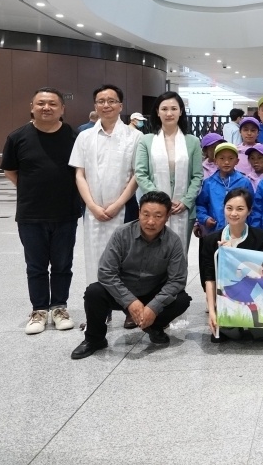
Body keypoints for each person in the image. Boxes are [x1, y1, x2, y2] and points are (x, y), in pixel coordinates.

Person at [70, 191, 192, 359]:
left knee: (182, 299)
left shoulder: (173, 241)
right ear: (138, 212)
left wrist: (153, 306)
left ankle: (154, 327)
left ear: (167, 217)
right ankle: (94, 339)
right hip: (122, 292)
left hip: (153, 292)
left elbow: (177, 280)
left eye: (158, 216)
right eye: (146, 214)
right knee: (94, 292)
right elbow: (106, 272)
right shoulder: (122, 234)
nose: (151, 221)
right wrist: (130, 301)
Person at [2, 87, 82, 335]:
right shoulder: (17, 137)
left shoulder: (74, 136)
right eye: (41, 103)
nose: (46, 107)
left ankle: (59, 308)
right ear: (32, 107)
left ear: (62, 109)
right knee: (35, 266)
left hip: (66, 212)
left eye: (52, 104)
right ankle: (38, 310)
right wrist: (32, 189)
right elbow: (10, 171)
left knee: (62, 264)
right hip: (31, 214)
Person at [70, 85, 142, 288]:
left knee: (127, 258)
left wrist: (118, 204)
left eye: (111, 101)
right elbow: (79, 174)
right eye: (101, 101)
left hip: (125, 208)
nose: (106, 105)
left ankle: (127, 305)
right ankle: (99, 305)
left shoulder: (135, 137)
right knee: (95, 258)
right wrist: (92, 206)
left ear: (120, 106)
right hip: (93, 210)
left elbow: (137, 174)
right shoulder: (84, 136)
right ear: (95, 106)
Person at [199, 188, 263, 345]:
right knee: (226, 333)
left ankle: (259, 326)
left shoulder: (260, 236)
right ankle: (229, 325)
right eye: (229, 208)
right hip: (228, 291)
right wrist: (212, 310)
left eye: (240, 209)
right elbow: (209, 278)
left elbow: (261, 273)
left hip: (253, 292)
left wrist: (233, 253)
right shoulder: (211, 240)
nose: (233, 213)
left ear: (249, 211)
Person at [133, 91, 203, 256]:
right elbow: (141, 173)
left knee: (179, 255)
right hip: (154, 208)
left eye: (174, 108)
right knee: (152, 255)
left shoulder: (192, 141)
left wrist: (185, 201)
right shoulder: (146, 140)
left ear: (181, 111)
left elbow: (197, 176)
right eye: (164, 109)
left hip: (183, 209)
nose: (169, 113)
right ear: (157, 112)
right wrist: (161, 201)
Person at [195, 142, 253, 235]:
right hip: (215, 232)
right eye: (222, 158)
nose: (226, 162)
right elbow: (200, 205)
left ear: (237, 161)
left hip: (240, 232)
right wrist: (205, 218)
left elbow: (252, 207)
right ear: (215, 161)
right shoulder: (209, 183)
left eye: (231, 158)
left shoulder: (244, 182)